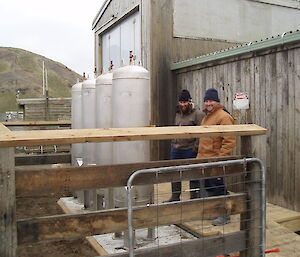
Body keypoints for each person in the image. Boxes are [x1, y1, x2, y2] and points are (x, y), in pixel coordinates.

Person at [196, 88, 236, 226]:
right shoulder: (206, 117)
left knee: (218, 187)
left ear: (217, 101)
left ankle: (224, 215)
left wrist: (221, 160)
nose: (208, 103)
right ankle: (214, 212)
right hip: (204, 159)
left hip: (215, 160)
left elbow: (229, 140)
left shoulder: (224, 117)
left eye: (211, 100)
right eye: (206, 101)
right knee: (208, 187)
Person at [165, 89, 205, 202]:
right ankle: (175, 196)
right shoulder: (177, 113)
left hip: (189, 149)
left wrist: (195, 148)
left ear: (189, 102)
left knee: (193, 174)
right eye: (181, 102)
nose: (183, 104)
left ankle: (194, 197)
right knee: (175, 173)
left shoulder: (198, 114)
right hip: (176, 149)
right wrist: (173, 143)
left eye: (185, 102)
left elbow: (201, 133)